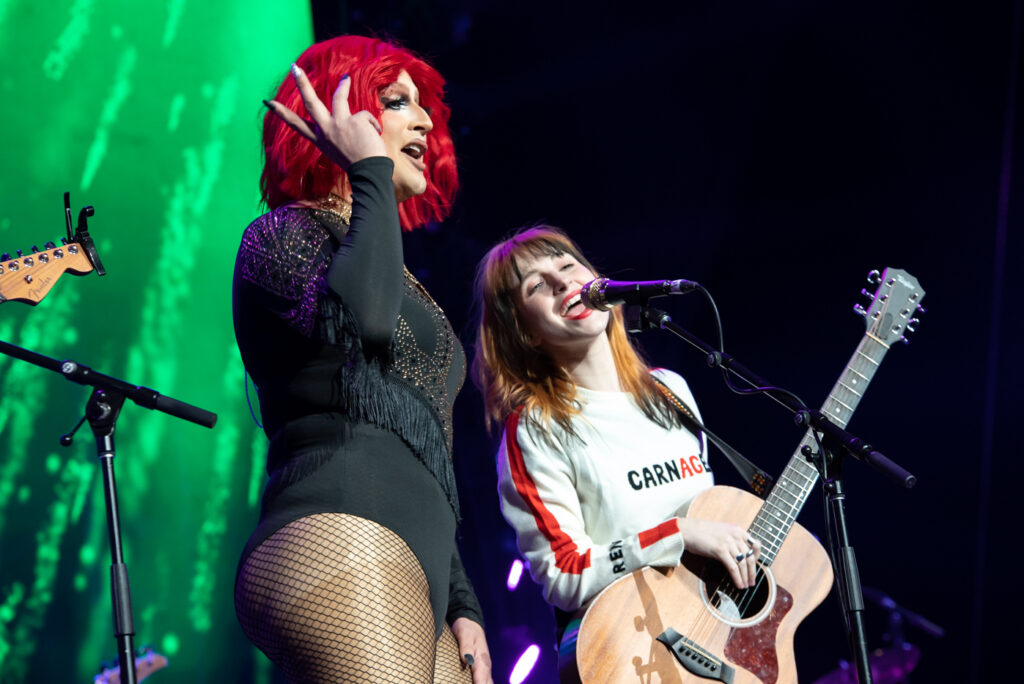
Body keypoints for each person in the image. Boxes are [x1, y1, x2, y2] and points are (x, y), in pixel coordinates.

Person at [232, 35, 492, 683]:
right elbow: (364, 324)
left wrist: (462, 602)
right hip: (336, 531)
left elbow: (424, 442)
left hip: (418, 570)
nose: (425, 121)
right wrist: (368, 168)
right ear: (336, 110)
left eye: (423, 106)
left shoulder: (397, 274)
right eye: (397, 101)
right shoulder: (282, 233)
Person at [472, 226, 760, 682]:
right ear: (525, 333)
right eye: (537, 285)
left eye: (568, 265)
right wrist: (678, 534)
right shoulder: (536, 428)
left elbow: (710, 519)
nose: (563, 282)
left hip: (716, 639)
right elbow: (565, 574)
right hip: (634, 657)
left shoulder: (669, 389)